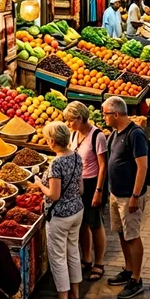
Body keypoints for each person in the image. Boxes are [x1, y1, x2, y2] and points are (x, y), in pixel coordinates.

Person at [103, 96, 149, 299]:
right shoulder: (115, 133)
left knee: (132, 235)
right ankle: (128, 269)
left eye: (105, 114)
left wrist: (135, 196)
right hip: (116, 194)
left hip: (130, 196)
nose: (104, 117)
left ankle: (136, 279)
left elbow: (142, 167)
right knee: (122, 233)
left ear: (116, 114)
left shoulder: (135, 134)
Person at [36, 120, 84, 299]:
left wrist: (39, 184)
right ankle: (75, 296)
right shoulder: (76, 156)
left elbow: (54, 195)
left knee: (58, 258)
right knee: (73, 252)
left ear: (53, 141)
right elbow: (81, 188)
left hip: (60, 216)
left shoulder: (56, 163)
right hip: (77, 211)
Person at [64, 101, 108, 283]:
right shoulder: (74, 134)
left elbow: (103, 165)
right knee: (82, 223)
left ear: (80, 118)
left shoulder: (97, 136)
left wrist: (99, 190)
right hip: (79, 184)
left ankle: (99, 263)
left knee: (95, 223)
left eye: (70, 120)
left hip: (93, 184)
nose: (68, 124)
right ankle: (86, 259)